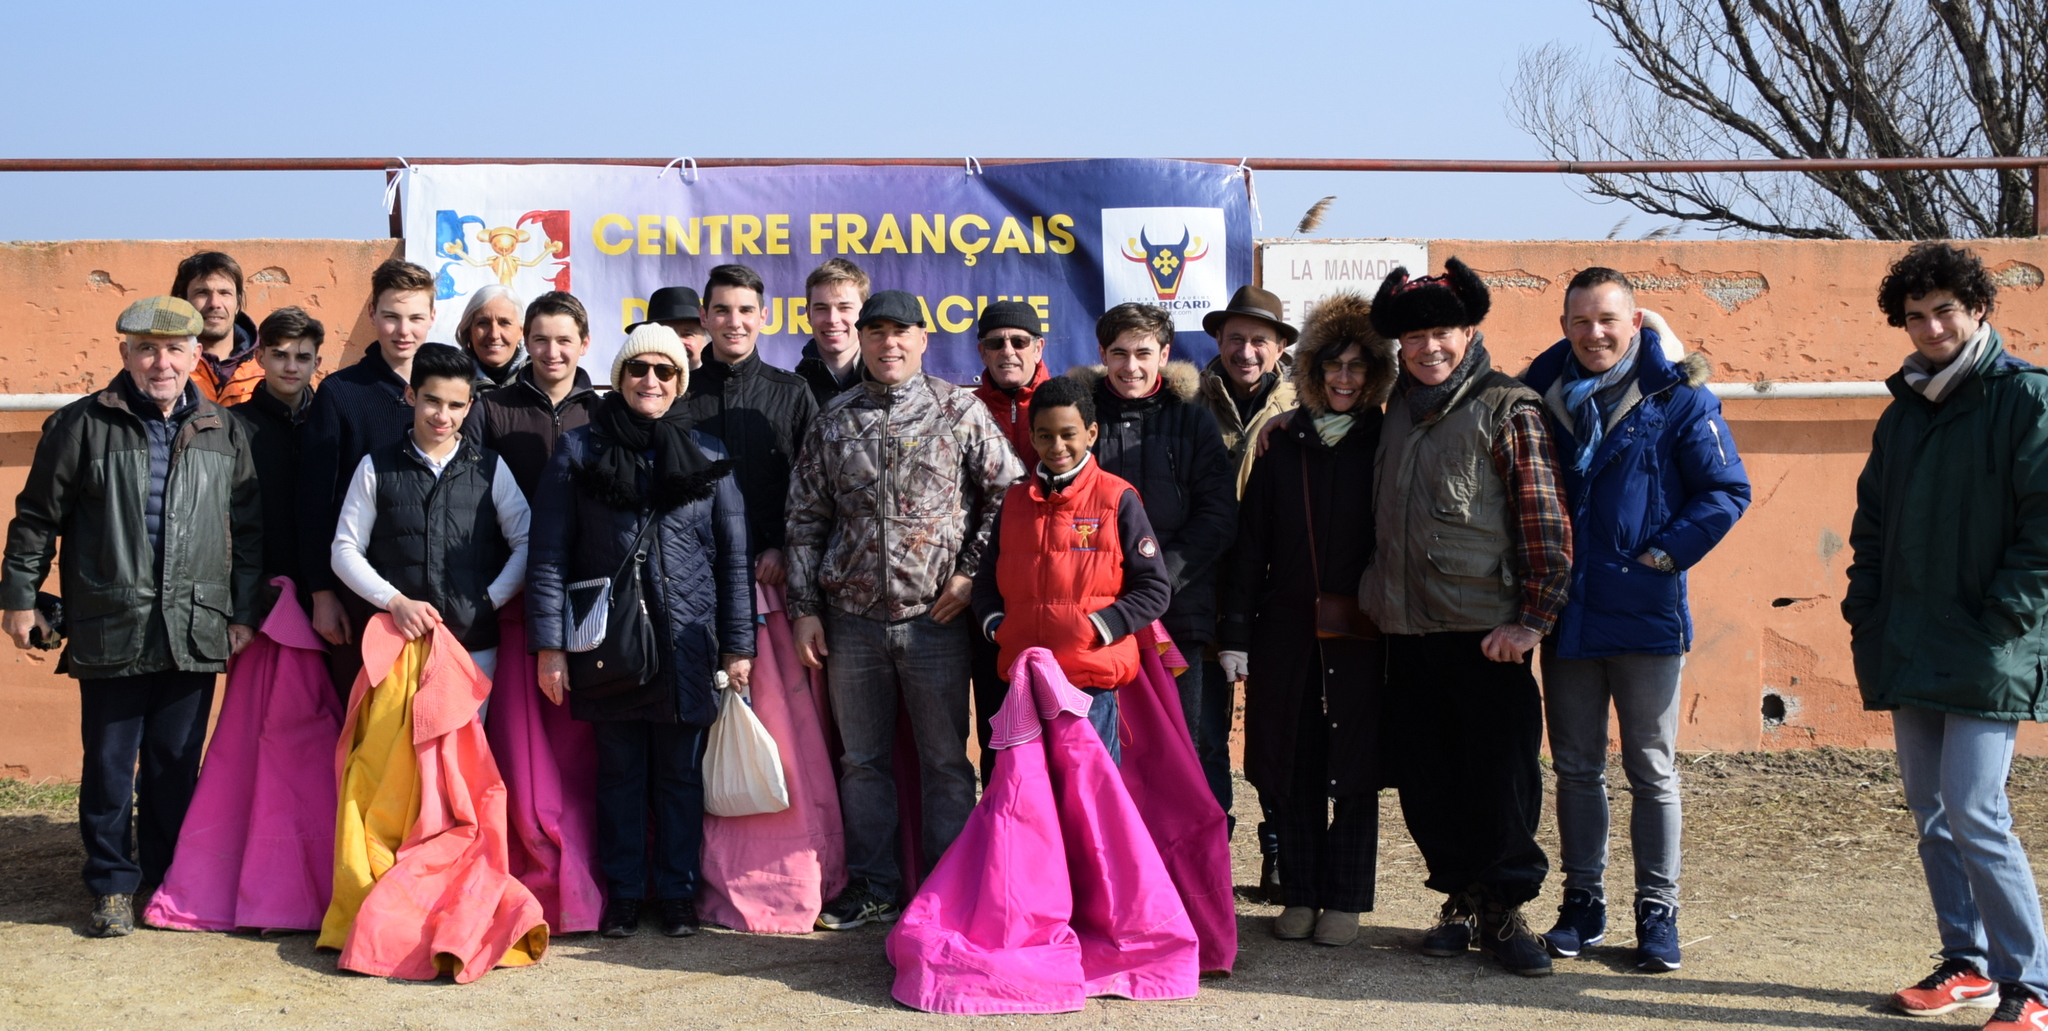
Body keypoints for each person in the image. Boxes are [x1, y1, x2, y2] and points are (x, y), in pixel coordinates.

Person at [1, 296, 261, 937]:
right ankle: (112, 884)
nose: (161, 361)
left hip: (193, 622)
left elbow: (249, 532)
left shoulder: (224, 431)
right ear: (125, 354)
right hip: (110, 617)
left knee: (176, 761)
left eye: (175, 350)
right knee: (112, 761)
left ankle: (168, 877)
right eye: (147, 349)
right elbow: (37, 518)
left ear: (197, 355)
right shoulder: (80, 425)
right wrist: (18, 596)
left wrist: (242, 611)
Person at [1521, 269, 1751, 973]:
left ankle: (1658, 911)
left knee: (1652, 768)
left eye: (1608, 320)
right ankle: (1582, 903)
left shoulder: (1677, 396)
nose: (1595, 333)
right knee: (1577, 768)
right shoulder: (1537, 399)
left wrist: (1665, 552)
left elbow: (1725, 489)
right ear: (1565, 325)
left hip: (1647, 615)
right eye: (1582, 320)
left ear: (1635, 322)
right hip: (1566, 617)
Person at [1845, 243, 2048, 1027]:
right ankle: (1965, 963)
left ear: (1979, 310)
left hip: (1989, 640)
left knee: (1974, 808)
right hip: (1909, 635)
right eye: (1917, 315)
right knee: (1931, 812)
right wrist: (1867, 608)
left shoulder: (2025, 398)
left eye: (1946, 311)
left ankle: (2028, 982)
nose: (1931, 326)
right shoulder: (1902, 414)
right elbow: (1872, 526)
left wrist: (2007, 614)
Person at [1359, 257, 1571, 978]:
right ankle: (1460, 896)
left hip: (1488, 637)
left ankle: (1506, 908)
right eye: (1414, 337)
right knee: (1427, 780)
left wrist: (1533, 620)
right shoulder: (1393, 413)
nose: (1429, 348)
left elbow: (1543, 520)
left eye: (1442, 331)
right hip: (1408, 632)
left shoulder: (1508, 406)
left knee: (1499, 782)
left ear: (1469, 329)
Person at [787, 290, 1023, 930]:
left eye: (902, 331)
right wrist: (805, 608)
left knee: (945, 760)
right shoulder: (833, 421)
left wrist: (971, 574)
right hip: (852, 619)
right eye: (877, 331)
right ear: (861, 340)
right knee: (862, 762)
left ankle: (948, 887)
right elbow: (805, 520)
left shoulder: (958, 412)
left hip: (936, 621)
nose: (890, 343)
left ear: (923, 340)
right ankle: (872, 886)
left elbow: (1009, 495)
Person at [527, 324, 756, 940]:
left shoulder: (708, 457)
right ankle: (625, 893)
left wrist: (739, 647)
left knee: (680, 776)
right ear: (619, 377)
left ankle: (678, 895)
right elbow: (548, 554)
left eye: (663, 371)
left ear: (679, 382)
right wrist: (550, 647)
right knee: (619, 774)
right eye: (637, 370)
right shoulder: (578, 452)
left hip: (688, 640)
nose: (649, 381)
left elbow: (734, 560)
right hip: (609, 643)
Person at [1217, 292, 1394, 950]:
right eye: (1331, 365)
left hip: (1363, 630)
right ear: (1311, 371)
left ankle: (1344, 898)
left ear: (1374, 373)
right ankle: (1299, 891)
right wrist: (1235, 632)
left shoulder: (1385, 440)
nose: (1343, 378)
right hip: (1285, 627)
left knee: (1352, 765)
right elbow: (1250, 545)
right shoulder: (1284, 443)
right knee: (1290, 762)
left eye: (1356, 366)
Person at [971, 374, 1172, 763]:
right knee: (1031, 803)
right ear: (1032, 437)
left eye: (1068, 434)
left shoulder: (1117, 498)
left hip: (1088, 684)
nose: (1056, 445)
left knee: (1090, 802)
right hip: (1024, 681)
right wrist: (999, 626)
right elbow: (985, 582)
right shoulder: (1013, 502)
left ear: (1091, 433)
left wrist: (1097, 628)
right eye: (1044, 435)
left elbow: (1154, 588)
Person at [1066, 303, 1236, 750]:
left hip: (1175, 614)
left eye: (1143, 353)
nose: (1131, 366)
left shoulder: (1195, 420)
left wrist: (1158, 582)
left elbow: (1217, 517)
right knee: (1101, 747)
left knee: (1179, 749)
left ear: (1164, 354)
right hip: (1096, 616)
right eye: (1119, 353)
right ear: (1102, 353)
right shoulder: (1078, 418)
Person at [327, 343, 530, 679]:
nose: (442, 416)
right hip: (396, 645)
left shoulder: (491, 468)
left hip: (473, 649)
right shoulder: (374, 467)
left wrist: (488, 601)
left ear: (469, 407)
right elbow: (344, 550)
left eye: (454, 405)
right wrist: (395, 602)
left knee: (469, 735)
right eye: (432, 400)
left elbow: (527, 541)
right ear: (411, 396)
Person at [1195, 283, 1300, 896]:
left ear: (1280, 347)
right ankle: (1211, 854)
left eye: (1260, 340)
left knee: (1278, 732)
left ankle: (1281, 847)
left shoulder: (1308, 404)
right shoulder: (1188, 403)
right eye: (1235, 339)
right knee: (1206, 736)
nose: (1246, 351)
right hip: (1206, 597)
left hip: (1280, 595)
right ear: (1218, 341)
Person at [298, 259, 434, 695]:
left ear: (433, 317)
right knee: (365, 731)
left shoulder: (452, 393)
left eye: (415, 317)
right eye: (392, 316)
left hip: (436, 598)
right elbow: (315, 501)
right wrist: (321, 593)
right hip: (359, 598)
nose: (403, 330)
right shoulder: (339, 393)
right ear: (372, 314)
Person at [682, 264, 819, 591]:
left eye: (746, 310)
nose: (734, 322)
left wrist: (782, 545)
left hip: (773, 577)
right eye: (722, 310)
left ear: (763, 316)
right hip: (692, 575)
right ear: (704, 316)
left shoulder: (792, 392)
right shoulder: (677, 395)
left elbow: (816, 487)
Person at [966, 299, 1053, 783]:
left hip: (1059, 593)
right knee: (999, 727)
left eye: (1020, 341)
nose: (1008, 351)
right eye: (996, 343)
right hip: (988, 592)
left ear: (1038, 346)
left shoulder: (1067, 402)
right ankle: (1004, 835)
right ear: (981, 350)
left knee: (1062, 732)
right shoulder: (962, 409)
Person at [230, 306, 323, 620]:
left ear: (317, 363)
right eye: (280, 355)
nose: (291, 367)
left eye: (303, 358)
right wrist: (252, 585)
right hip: (258, 599)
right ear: (260, 358)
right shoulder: (232, 426)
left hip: (325, 597)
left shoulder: (330, 423)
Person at [467, 290, 601, 496]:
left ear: (584, 344)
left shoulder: (603, 414)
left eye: (564, 340)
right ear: (527, 342)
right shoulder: (488, 410)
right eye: (541, 340)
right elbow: (468, 491)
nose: (552, 352)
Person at [173, 251, 265, 407]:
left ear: (238, 303)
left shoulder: (268, 365)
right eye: (202, 293)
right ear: (182, 301)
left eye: (224, 293)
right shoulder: (165, 366)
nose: (214, 303)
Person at [794, 259, 869, 405]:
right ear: (808, 314)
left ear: (865, 313)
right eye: (822, 308)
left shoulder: (889, 385)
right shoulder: (790, 393)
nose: (832, 320)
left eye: (844, 308)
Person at [457, 284, 529, 391]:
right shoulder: (449, 378)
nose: (494, 335)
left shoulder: (540, 377)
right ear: (469, 331)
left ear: (521, 331)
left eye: (505, 323)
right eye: (483, 323)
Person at [632, 286, 711, 370]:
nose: (677, 343)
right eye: (667, 334)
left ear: (705, 340)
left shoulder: (720, 382)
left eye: (687, 334)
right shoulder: (638, 382)